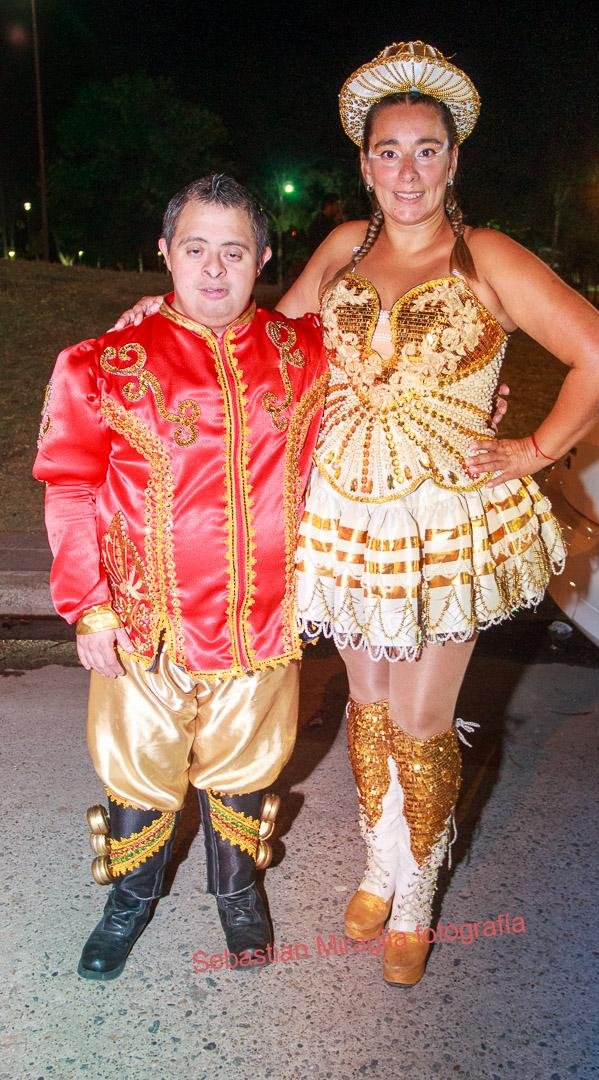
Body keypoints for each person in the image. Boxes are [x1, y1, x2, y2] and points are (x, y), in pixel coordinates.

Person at [113, 41, 599, 989]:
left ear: (453, 160)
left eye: (427, 150)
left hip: (446, 524)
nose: (408, 171)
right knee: (366, 703)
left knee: (425, 720)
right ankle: (379, 864)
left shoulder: (488, 256)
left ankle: (420, 891)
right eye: (389, 152)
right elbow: (267, 340)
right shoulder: (346, 246)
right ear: (364, 163)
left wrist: (532, 448)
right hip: (346, 512)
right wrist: (169, 315)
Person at [33, 175, 328, 980]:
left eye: (234, 251)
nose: (213, 269)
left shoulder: (307, 356)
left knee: (248, 765)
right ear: (165, 252)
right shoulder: (102, 364)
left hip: (263, 621)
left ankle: (238, 893)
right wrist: (89, 608)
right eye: (195, 249)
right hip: (144, 629)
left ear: (263, 258)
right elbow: (70, 487)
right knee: (138, 767)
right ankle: (128, 902)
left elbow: (390, 400)